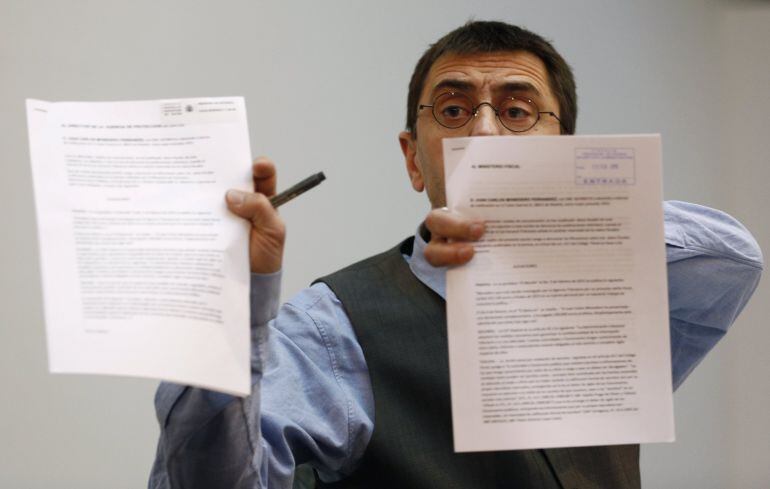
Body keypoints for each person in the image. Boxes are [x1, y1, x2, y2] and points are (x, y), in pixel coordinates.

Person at [148, 21, 762, 489]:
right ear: (414, 157)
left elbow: (733, 261)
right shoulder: (334, 327)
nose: (486, 132)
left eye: (518, 111)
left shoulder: (614, 294)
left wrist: (549, 212)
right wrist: (227, 304)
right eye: (453, 109)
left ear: (565, 148)